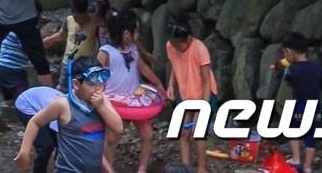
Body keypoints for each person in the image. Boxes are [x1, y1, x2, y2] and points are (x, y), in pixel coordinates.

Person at [15, 56, 122, 173]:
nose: (98, 89)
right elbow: (35, 122)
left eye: (101, 84)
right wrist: (25, 150)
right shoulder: (63, 105)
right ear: (76, 85)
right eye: (92, 84)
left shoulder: (103, 101)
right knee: (47, 146)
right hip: (68, 170)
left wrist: (101, 107)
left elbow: (118, 128)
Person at [98, 10, 165, 173]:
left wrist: (158, 84)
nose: (138, 35)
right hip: (113, 101)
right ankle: (108, 168)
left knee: (148, 134)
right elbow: (96, 75)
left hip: (133, 99)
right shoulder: (105, 52)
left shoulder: (133, 49)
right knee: (112, 138)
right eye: (137, 31)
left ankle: (142, 168)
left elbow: (142, 68)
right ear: (126, 34)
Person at [165, 21, 217, 173]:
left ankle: (202, 169)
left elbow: (207, 81)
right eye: (174, 45)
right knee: (183, 132)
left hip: (204, 94)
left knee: (198, 132)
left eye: (180, 45)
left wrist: (202, 110)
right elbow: (175, 65)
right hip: (186, 94)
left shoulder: (199, 49)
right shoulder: (170, 46)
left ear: (188, 39)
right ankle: (185, 168)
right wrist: (171, 84)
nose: (177, 48)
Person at [280, 31, 322, 173]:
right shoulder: (317, 68)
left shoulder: (291, 69)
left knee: (293, 130)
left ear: (289, 51)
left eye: (285, 53)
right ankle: (307, 166)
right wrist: (318, 85)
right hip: (315, 106)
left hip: (299, 105)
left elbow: (288, 83)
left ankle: (296, 159)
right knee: (310, 136)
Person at [43, 0, 101, 90]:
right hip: (68, 62)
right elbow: (61, 35)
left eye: (82, 17)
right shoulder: (69, 20)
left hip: (86, 63)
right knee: (64, 88)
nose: (79, 20)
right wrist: (50, 39)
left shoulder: (94, 22)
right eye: (76, 17)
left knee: (87, 88)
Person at [14, 85, 65, 173]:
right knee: (46, 145)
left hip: (42, 99)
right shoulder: (62, 116)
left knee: (59, 145)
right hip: (27, 104)